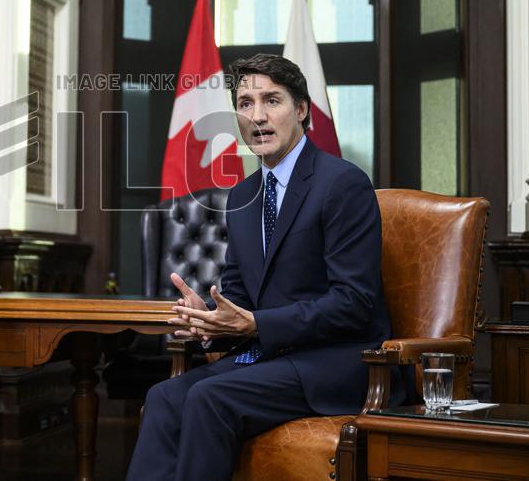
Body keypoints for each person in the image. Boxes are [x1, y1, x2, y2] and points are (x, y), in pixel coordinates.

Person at [126, 53, 403, 481]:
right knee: (163, 396)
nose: (257, 116)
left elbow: (353, 303)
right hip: (270, 357)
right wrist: (211, 320)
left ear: (302, 110)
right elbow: (239, 292)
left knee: (208, 397)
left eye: (272, 100)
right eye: (245, 103)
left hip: (335, 364)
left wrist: (256, 325)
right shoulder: (242, 196)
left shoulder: (342, 183)